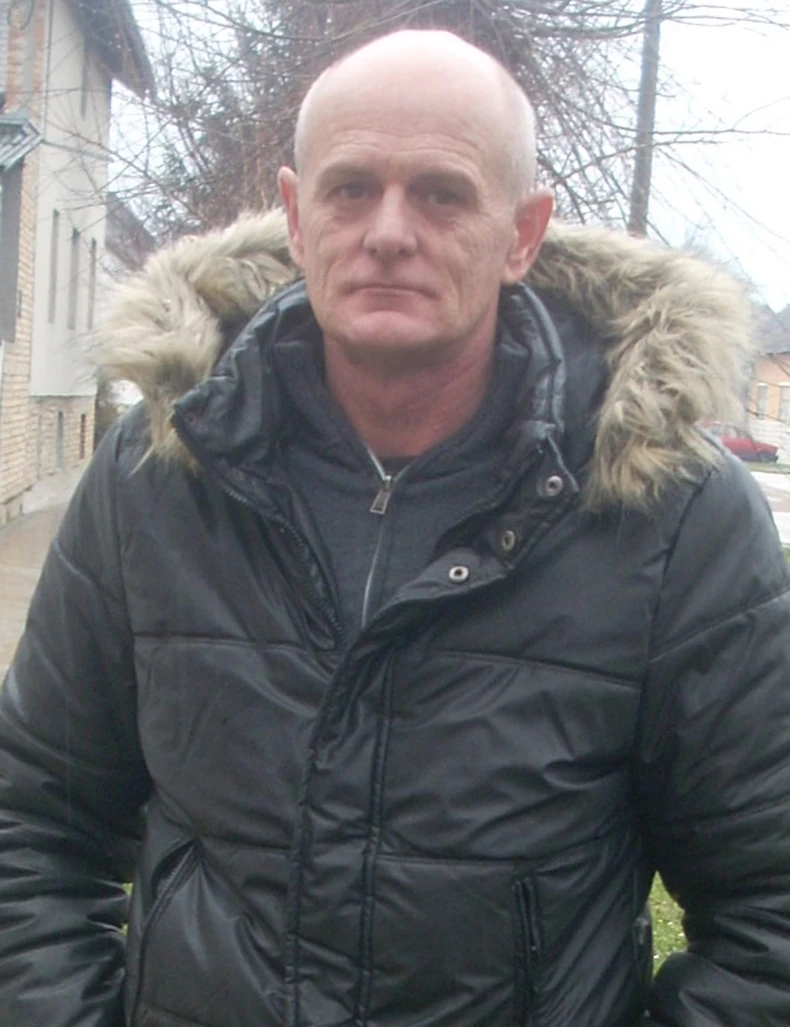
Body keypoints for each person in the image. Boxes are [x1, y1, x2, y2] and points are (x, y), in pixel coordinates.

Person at [0, 27, 788, 1027]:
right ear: (296, 216)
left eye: (442, 193)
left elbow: (769, 911)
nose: (387, 231)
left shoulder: (669, 513)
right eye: (350, 188)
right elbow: (33, 825)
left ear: (523, 232)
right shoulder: (160, 473)